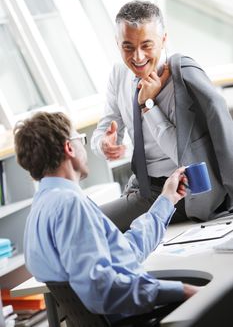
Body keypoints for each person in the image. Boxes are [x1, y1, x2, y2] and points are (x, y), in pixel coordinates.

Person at [14, 111, 199, 324]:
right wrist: (180, 290)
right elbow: (102, 290)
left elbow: (123, 254)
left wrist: (167, 200)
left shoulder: (40, 209)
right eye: (80, 140)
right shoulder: (70, 206)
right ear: (70, 147)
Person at [91, 0, 233, 231]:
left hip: (179, 191)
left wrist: (148, 106)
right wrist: (104, 144)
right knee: (78, 219)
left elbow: (184, 156)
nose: (137, 57)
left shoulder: (182, 81)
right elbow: (105, 128)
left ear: (164, 40)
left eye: (147, 45)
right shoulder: (118, 75)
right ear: (117, 43)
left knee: (87, 224)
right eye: (128, 47)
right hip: (140, 185)